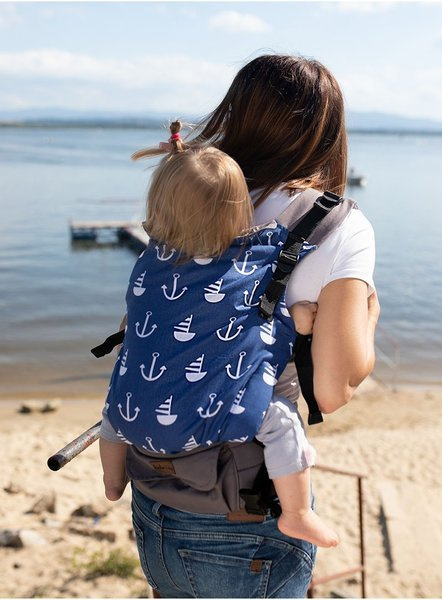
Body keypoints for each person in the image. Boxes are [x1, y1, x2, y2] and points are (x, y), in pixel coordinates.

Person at [99, 54, 379, 598]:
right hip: (244, 516)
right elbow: (333, 390)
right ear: (328, 133)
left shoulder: (189, 194)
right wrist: (369, 313)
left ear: (234, 111)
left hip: (154, 500)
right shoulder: (338, 225)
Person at [100, 121, 339, 549]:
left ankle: (112, 480)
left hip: (134, 418)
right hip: (211, 420)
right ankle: (298, 514)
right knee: (281, 421)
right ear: (238, 211)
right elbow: (270, 316)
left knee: (112, 413)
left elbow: (136, 322)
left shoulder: (149, 265)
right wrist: (303, 316)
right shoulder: (245, 266)